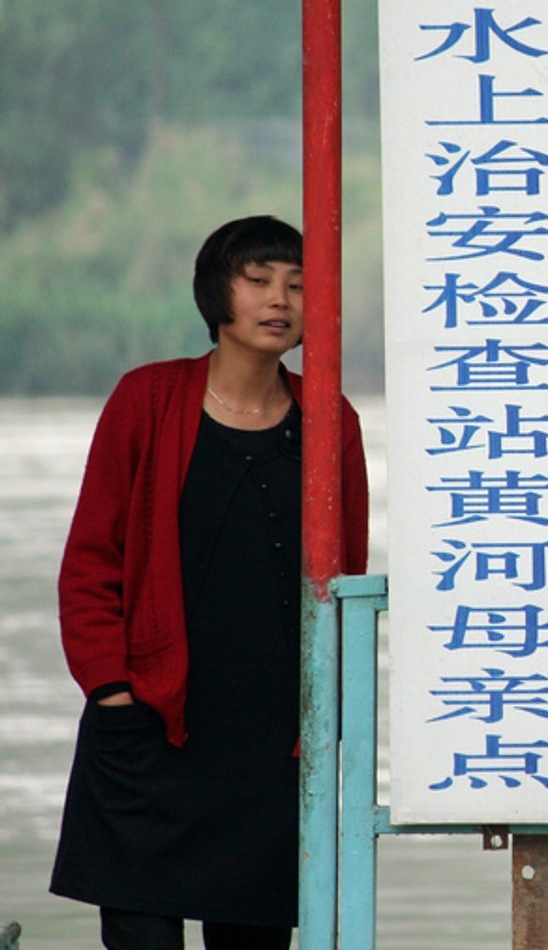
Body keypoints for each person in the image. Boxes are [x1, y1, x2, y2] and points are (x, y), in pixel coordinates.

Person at [51, 216, 370, 950]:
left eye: (297, 283)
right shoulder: (147, 399)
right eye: (257, 279)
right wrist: (111, 688)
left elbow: (344, 574)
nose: (279, 298)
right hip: (151, 724)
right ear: (216, 292)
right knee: (141, 937)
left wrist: (328, 715)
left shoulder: (332, 419)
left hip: (269, 746)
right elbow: (90, 560)